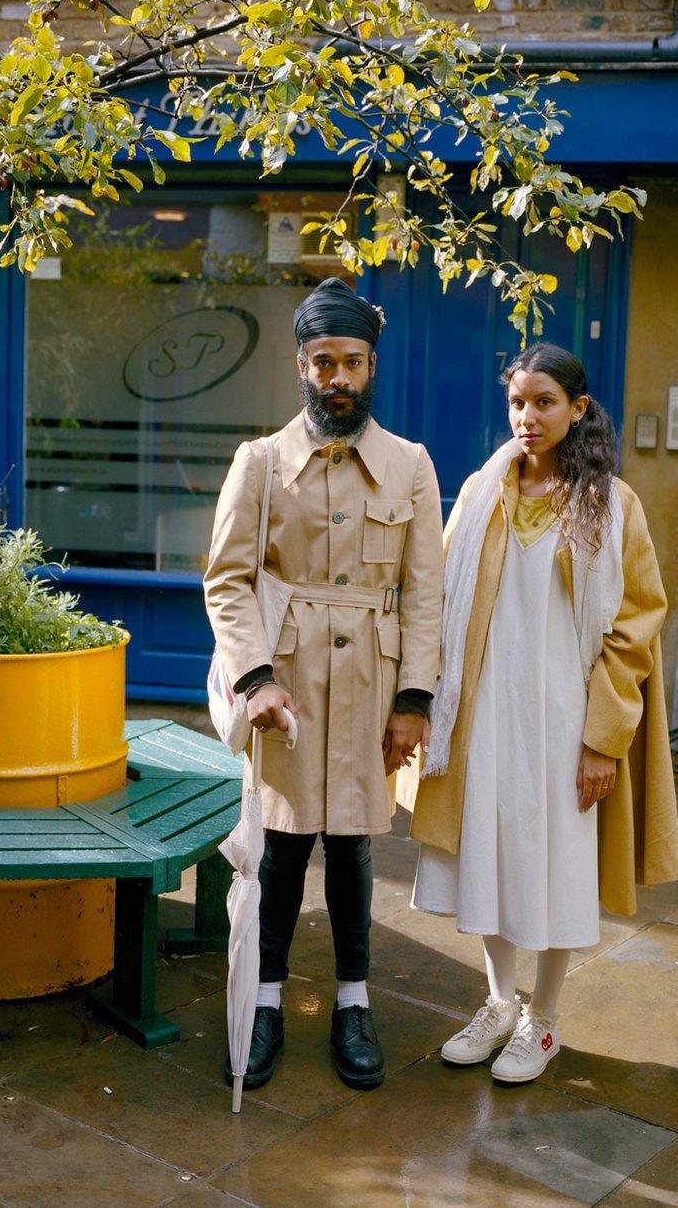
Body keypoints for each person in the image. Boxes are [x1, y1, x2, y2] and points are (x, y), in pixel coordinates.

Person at [399, 342, 678, 1085]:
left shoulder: (613, 506)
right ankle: (497, 1002)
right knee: (487, 857)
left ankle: (544, 1019)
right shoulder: (481, 492)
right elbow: (435, 599)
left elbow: (634, 629)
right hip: (486, 711)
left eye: (544, 403)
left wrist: (603, 742)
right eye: (518, 402)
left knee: (557, 866)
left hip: (566, 719)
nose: (528, 417)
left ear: (578, 410)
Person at [204, 277, 443, 1091]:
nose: (338, 377)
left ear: (372, 366)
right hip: (291, 689)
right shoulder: (262, 463)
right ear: (301, 365)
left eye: (352, 362)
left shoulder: (410, 465)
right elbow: (227, 581)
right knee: (281, 845)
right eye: (323, 362)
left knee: (353, 846)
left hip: (375, 686)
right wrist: (256, 679)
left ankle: (352, 1002)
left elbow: (425, 593)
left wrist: (414, 700)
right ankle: (265, 1001)